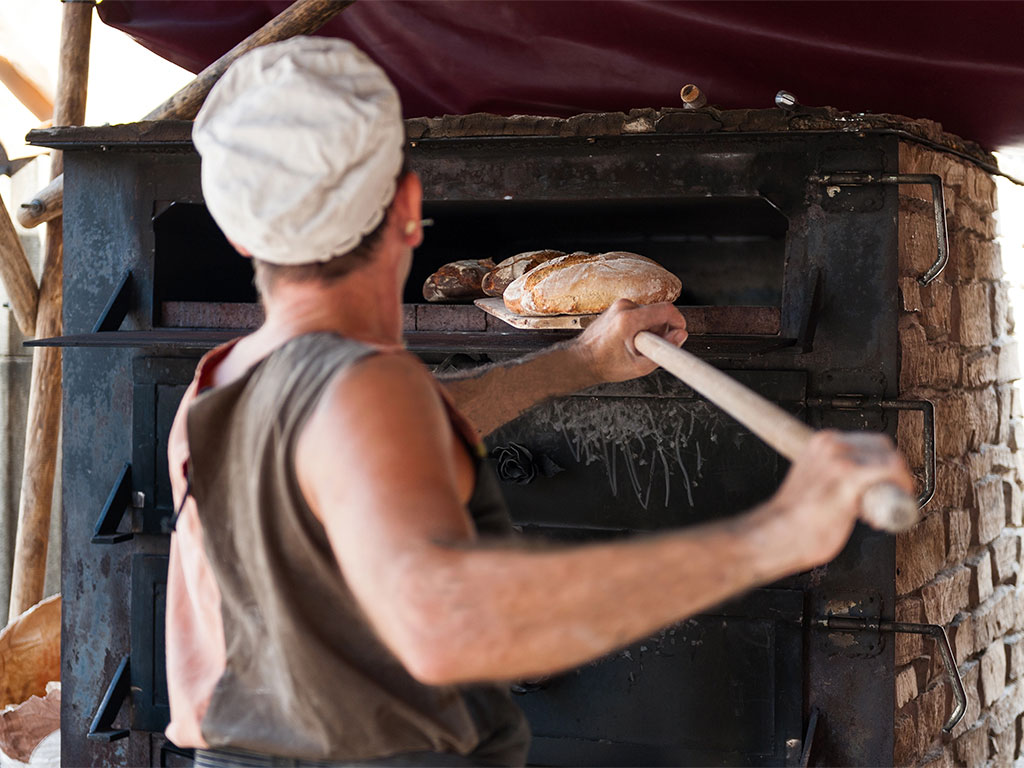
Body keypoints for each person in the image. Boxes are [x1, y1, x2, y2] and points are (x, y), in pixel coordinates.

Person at [164, 37, 913, 768]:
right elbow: (446, 626)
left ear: (236, 230)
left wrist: (576, 362)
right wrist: (777, 535)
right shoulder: (365, 395)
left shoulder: (223, 381)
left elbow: (368, 452)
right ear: (408, 205)